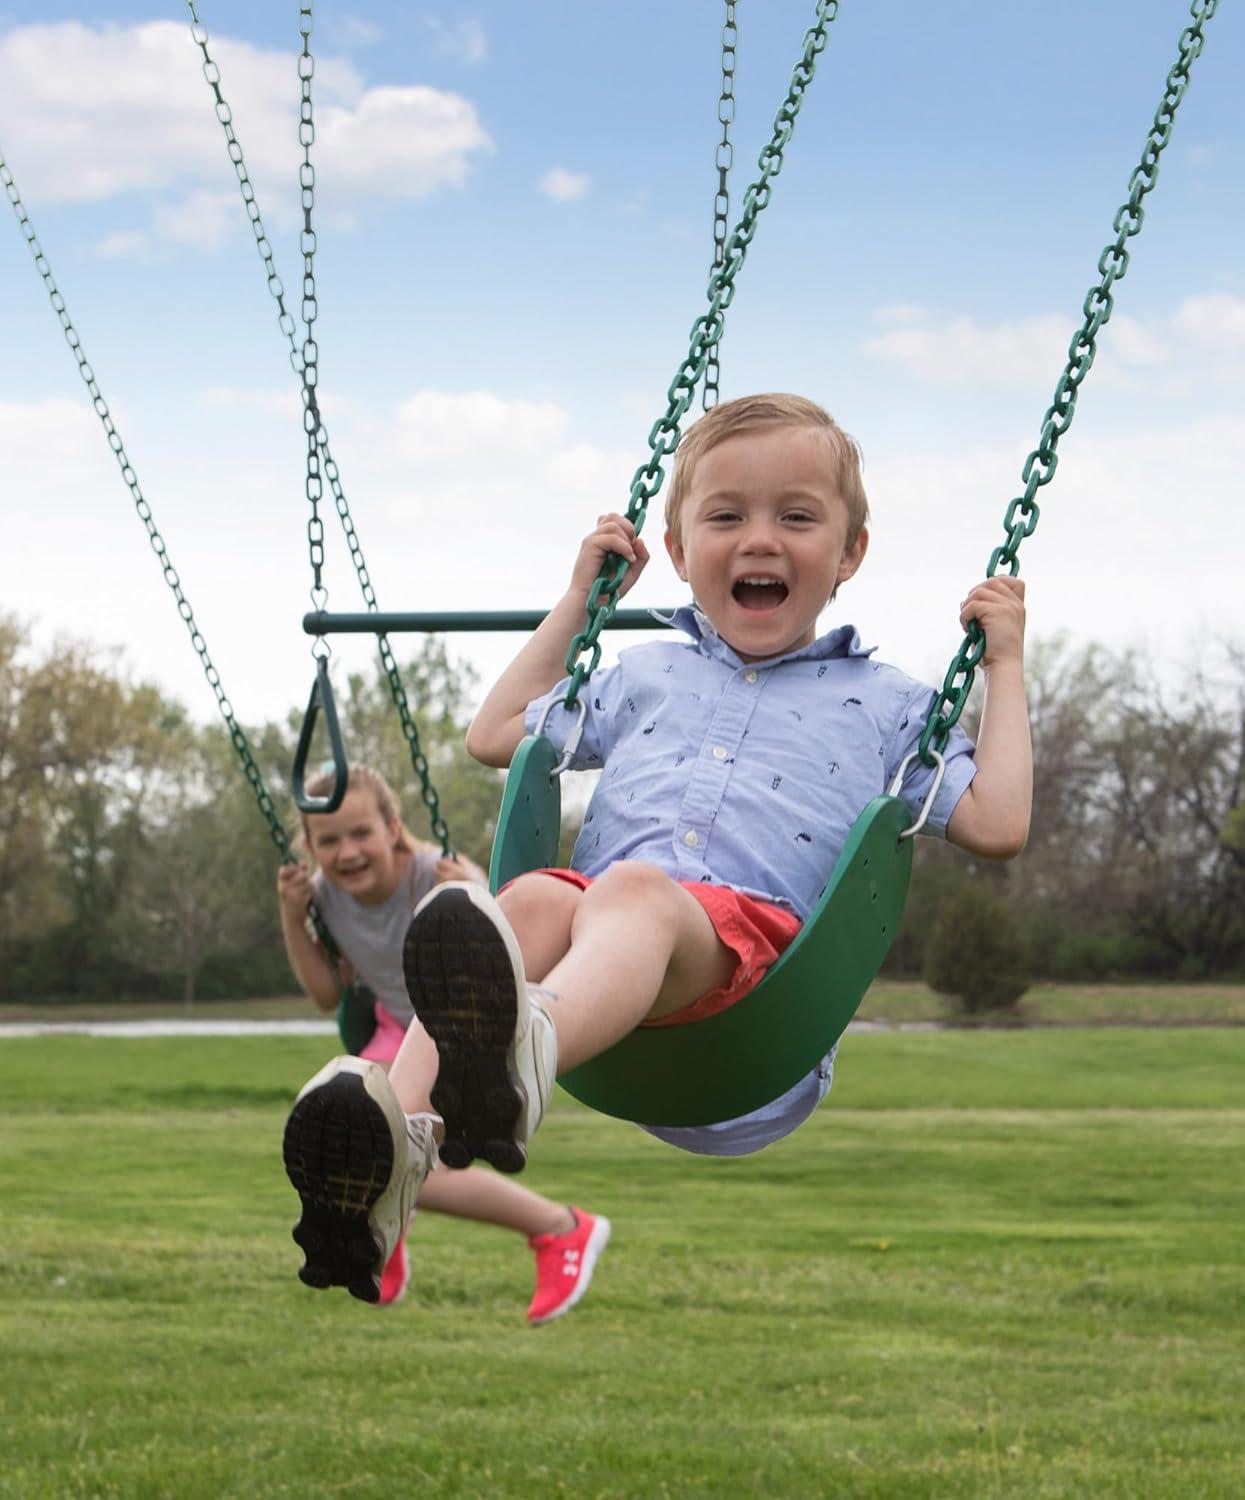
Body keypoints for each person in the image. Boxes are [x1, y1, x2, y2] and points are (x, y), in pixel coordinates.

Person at [282, 392, 1032, 1294]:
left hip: (754, 998)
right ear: (678, 553)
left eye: (796, 517)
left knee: (628, 890)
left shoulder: (888, 703)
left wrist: (1005, 665)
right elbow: (496, 733)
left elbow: (997, 823)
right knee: (530, 900)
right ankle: (392, 1151)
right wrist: (576, 602)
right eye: (726, 516)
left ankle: (530, 1047)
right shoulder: (646, 674)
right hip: (613, 968)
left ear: (849, 554)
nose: (759, 539)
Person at [277, 762, 610, 1320]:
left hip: (461, 1030)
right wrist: (293, 919)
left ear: (392, 826)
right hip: (392, 1034)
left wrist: (474, 891)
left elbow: (506, 949)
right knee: (352, 1150)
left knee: (391, 1165)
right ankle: (391, 1232)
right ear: (310, 848)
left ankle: (561, 1228)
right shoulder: (322, 898)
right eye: (328, 841)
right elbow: (326, 995)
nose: (348, 852)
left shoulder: (438, 874)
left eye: (361, 833)